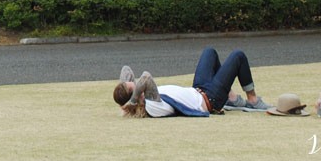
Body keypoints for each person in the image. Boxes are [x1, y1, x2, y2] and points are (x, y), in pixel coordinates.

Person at [113, 47, 274, 117]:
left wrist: (126, 99)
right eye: (133, 85)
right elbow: (146, 77)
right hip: (210, 99)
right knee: (238, 56)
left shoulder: (143, 96)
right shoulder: (151, 105)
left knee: (209, 52)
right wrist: (133, 100)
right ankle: (252, 101)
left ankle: (231, 99)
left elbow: (126, 70)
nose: (134, 80)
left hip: (199, 89)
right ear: (135, 94)